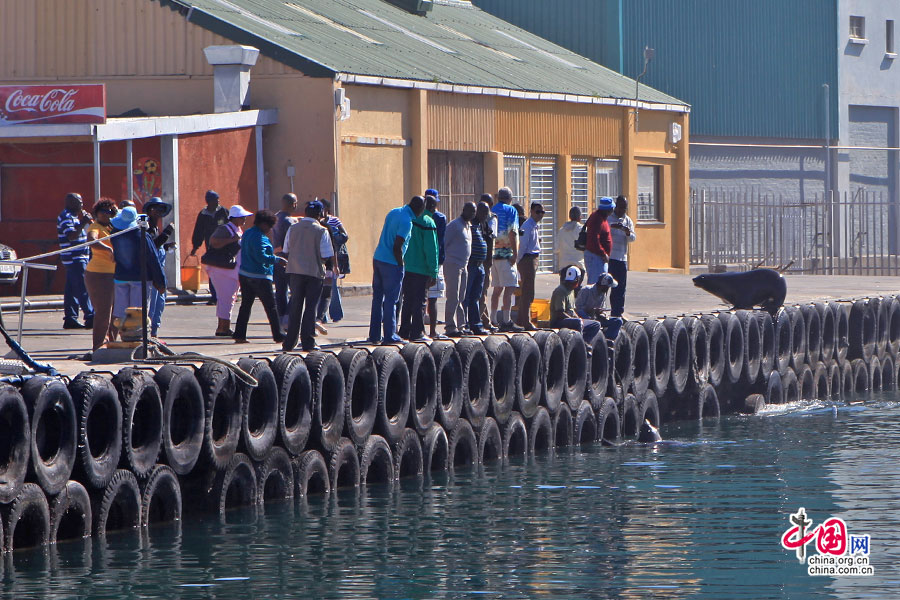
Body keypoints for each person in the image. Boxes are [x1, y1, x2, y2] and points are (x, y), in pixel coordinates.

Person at [368, 196, 423, 345]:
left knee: (377, 299)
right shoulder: (407, 222)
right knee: (391, 300)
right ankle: (389, 335)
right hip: (391, 263)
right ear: (418, 209)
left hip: (378, 258)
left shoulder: (394, 212)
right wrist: (401, 264)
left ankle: (374, 335)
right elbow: (397, 246)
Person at [282, 201, 334, 352]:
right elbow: (326, 255)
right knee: (310, 308)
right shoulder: (322, 231)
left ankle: (289, 342)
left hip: (295, 272)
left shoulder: (293, 228)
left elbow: (286, 249)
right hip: (314, 272)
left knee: (295, 307)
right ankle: (308, 342)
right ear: (320, 214)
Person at [109, 207, 166, 329]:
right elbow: (153, 258)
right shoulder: (142, 235)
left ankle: (123, 337)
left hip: (120, 277)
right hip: (140, 280)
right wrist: (161, 282)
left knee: (121, 313)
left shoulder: (115, 235)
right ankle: (137, 338)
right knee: (138, 313)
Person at [233, 210, 284, 344]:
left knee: (245, 306)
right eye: (269, 226)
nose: (270, 229)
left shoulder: (248, 233)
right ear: (263, 224)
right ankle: (278, 335)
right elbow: (261, 257)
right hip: (260, 276)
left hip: (244, 274)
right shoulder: (260, 237)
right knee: (271, 307)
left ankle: (239, 334)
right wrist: (278, 260)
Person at [202, 205, 252, 337]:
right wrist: (232, 240)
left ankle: (223, 326)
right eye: (242, 217)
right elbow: (213, 242)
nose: (245, 219)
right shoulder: (225, 229)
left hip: (230, 270)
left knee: (228, 298)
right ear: (235, 218)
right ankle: (223, 328)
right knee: (226, 298)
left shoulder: (238, 229)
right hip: (222, 270)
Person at [399, 199, 439, 342]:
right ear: (431, 207)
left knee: (407, 301)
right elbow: (431, 249)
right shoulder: (428, 222)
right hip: (422, 269)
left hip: (407, 267)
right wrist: (433, 272)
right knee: (420, 301)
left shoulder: (410, 219)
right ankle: (418, 332)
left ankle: (404, 331)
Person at [57, 192, 94, 329]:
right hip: (75, 258)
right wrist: (83, 222)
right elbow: (72, 236)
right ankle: (90, 316)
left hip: (79, 257)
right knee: (82, 287)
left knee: (72, 289)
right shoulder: (66, 217)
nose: (82, 205)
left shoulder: (73, 217)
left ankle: (70, 317)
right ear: (71, 203)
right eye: (80, 202)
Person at [84, 200, 118, 351]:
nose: (106, 214)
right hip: (99, 274)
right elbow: (92, 240)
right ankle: (98, 346)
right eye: (103, 211)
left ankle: (111, 342)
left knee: (117, 312)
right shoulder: (94, 227)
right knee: (104, 311)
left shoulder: (114, 227)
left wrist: (116, 213)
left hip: (116, 274)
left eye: (110, 211)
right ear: (96, 213)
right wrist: (108, 250)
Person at [490, 187, 522, 332]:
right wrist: (515, 253)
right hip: (506, 254)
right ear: (510, 198)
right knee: (509, 288)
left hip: (493, 255)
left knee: (497, 289)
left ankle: (493, 319)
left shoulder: (492, 209)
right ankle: (506, 320)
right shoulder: (511, 210)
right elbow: (512, 232)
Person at [190, 190, 230, 305]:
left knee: (225, 271)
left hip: (225, 247)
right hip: (211, 248)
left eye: (218, 200)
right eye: (215, 200)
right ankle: (214, 297)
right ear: (209, 202)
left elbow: (231, 227)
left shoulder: (223, 212)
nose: (218, 202)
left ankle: (226, 295)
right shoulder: (203, 215)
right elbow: (199, 231)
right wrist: (195, 246)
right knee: (213, 272)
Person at [143, 197, 174, 338]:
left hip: (160, 269)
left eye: (161, 210)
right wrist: (167, 233)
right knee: (152, 306)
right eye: (155, 209)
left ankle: (155, 333)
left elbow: (158, 246)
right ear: (149, 211)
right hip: (153, 272)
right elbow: (152, 247)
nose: (158, 212)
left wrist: (166, 246)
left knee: (159, 304)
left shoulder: (155, 227)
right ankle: (150, 335)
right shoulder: (147, 228)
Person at [315, 198, 349, 327]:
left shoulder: (333, 221)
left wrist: (333, 238)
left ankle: (336, 314)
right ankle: (322, 317)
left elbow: (345, 235)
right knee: (321, 289)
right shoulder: (317, 224)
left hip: (331, 259)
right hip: (320, 261)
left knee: (332, 289)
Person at [443, 202, 474, 337]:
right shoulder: (454, 225)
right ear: (464, 210)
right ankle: (450, 326)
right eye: (470, 211)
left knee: (461, 297)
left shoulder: (468, 226)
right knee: (453, 296)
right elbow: (444, 243)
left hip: (464, 265)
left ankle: (461, 326)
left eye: (474, 212)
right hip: (453, 264)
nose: (472, 214)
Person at [549, 265, 601, 343]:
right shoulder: (560, 291)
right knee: (578, 322)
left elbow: (572, 309)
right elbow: (559, 312)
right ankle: (580, 343)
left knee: (596, 324)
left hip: (571, 319)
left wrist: (579, 318)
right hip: (558, 322)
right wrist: (575, 319)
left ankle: (585, 342)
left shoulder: (571, 290)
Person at [463, 200, 493, 335]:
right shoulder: (470, 224)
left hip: (480, 265)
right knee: (466, 296)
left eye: (487, 213)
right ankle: (465, 324)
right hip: (471, 265)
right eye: (483, 212)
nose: (485, 215)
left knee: (476, 296)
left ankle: (476, 324)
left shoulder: (482, 225)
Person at [516, 202, 545, 331]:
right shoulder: (527, 226)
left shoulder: (534, 226)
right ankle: (526, 322)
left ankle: (521, 319)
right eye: (538, 212)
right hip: (527, 259)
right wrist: (518, 261)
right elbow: (522, 245)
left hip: (533, 258)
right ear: (532, 211)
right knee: (527, 292)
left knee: (528, 291)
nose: (540, 215)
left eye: (542, 212)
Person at [272, 193, 298, 328]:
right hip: (288, 259)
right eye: (295, 203)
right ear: (291, 204)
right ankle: (288, 318)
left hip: (276, 259)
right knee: (296, 290)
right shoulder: (289, 222)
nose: (296, 205)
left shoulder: (275, 218)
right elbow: (291, 242)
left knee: (280, 291)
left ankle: (281, 319)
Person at [608, 195, 636, 318]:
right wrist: (613, 227)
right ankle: (601, 310)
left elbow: (633, 238)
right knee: (606, 285)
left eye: (624, 208)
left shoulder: (628, 220)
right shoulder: (609, 218)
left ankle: (618, 313)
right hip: (610, 258)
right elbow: (602, 231)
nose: (621, 211)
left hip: (622, 258)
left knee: (620, 288)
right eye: (620, 208)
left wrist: (627, 231)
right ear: (616, 206)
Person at [424, 192, 447, 339]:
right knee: (433, 298)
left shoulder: (416, 217)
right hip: (434, 261)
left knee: (420, 297)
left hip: (418, 262)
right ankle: (432, 331)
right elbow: (439, 243)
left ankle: (419, 330)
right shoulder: (439, 218)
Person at [584, 196, 615, 285]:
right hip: (596, 257)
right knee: (596, 284)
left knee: (601, 283)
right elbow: (594, 239)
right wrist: (603, 253)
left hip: (598, 257)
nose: (613, 210)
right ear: (607, 209)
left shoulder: (602, 218)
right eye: (612, 208)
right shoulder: (597, 219)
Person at [478, 193, 497, 331]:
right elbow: (490, 239)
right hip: (481, 258)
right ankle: (484, 320)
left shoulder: (490, 219)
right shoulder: (489, 218)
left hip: (483, 258)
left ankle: (484, 319)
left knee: (482, 290)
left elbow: (490, 236)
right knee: (481, 291)